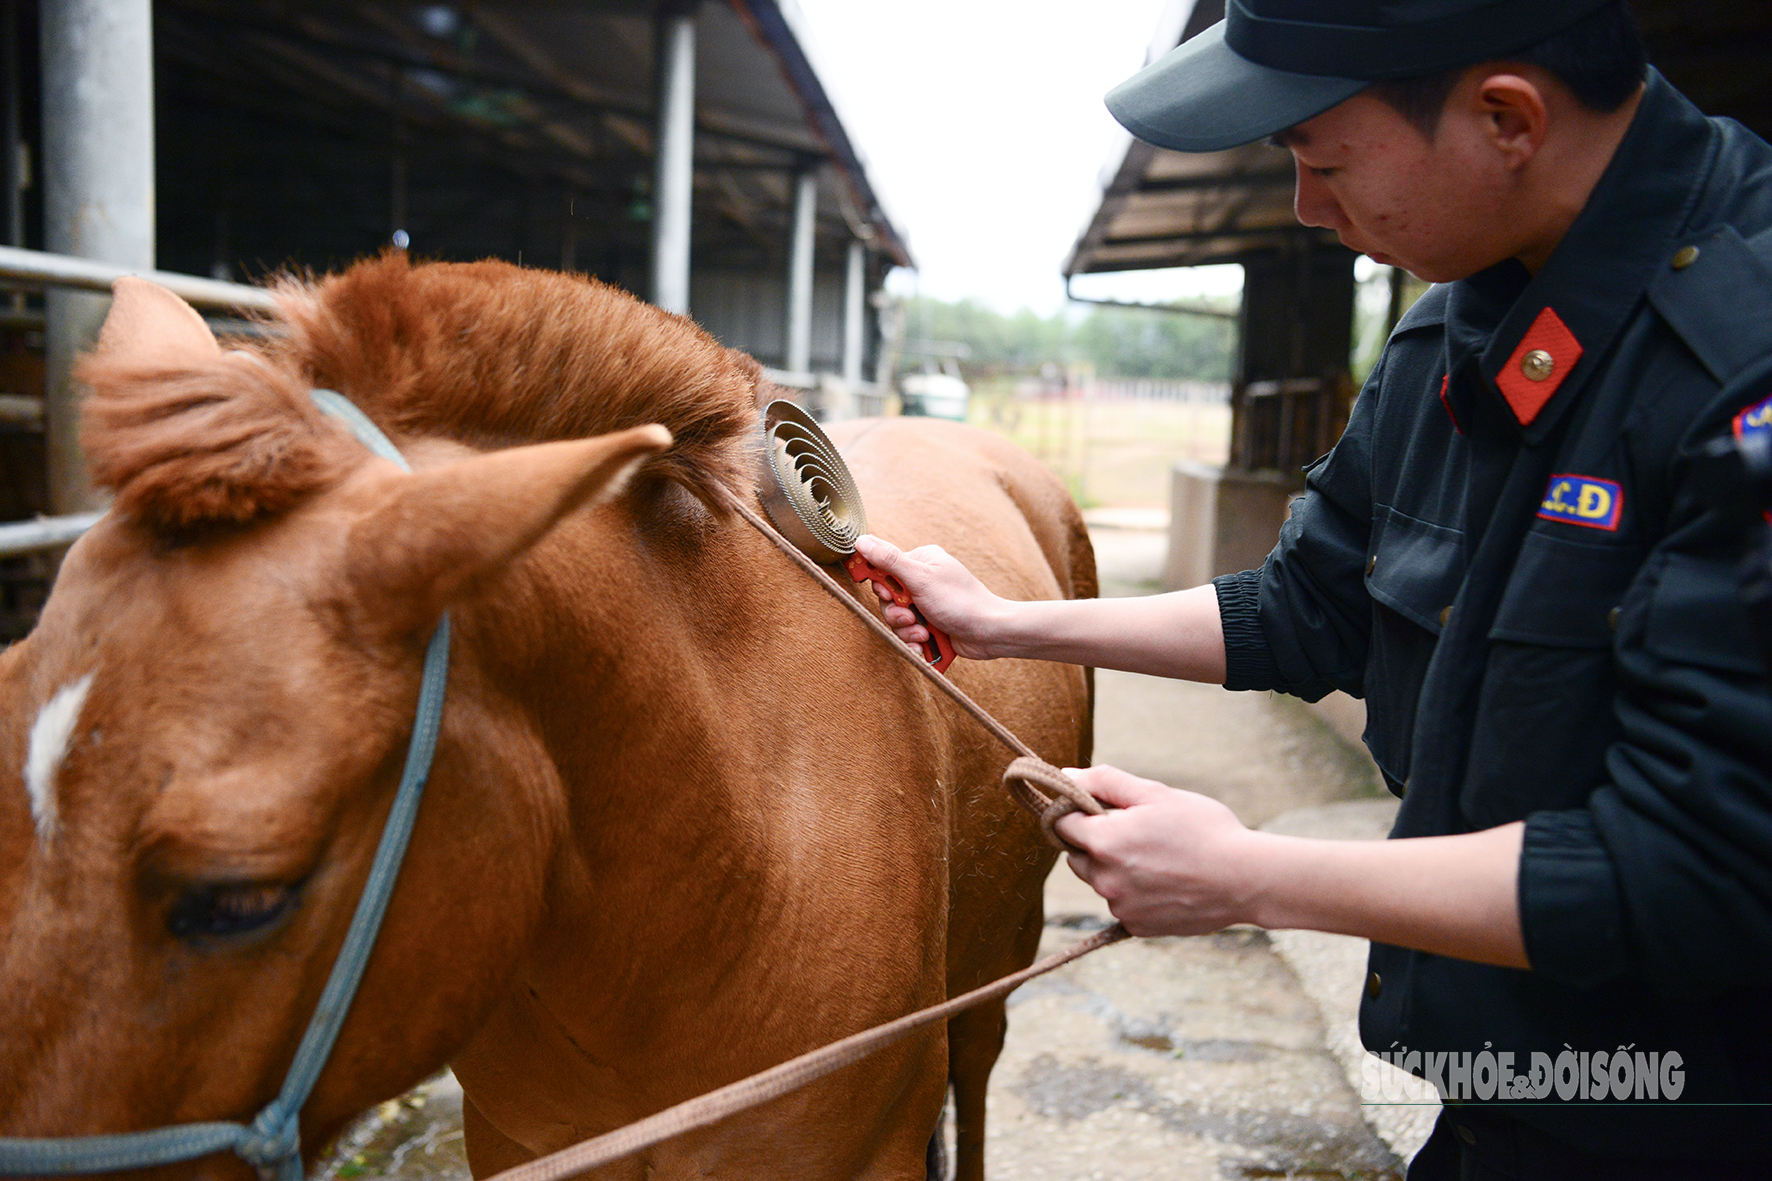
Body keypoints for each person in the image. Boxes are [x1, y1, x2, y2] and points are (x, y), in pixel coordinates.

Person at [854, 2, 1772, 1176]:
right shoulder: (1460, 324)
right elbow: (1311, 604)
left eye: (1321, 158)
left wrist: (1249, 874)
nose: (1306, 209)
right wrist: (999, 622)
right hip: (1508, 1089)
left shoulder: (1735, 360)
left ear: (1504, 118)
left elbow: (1700, 865)